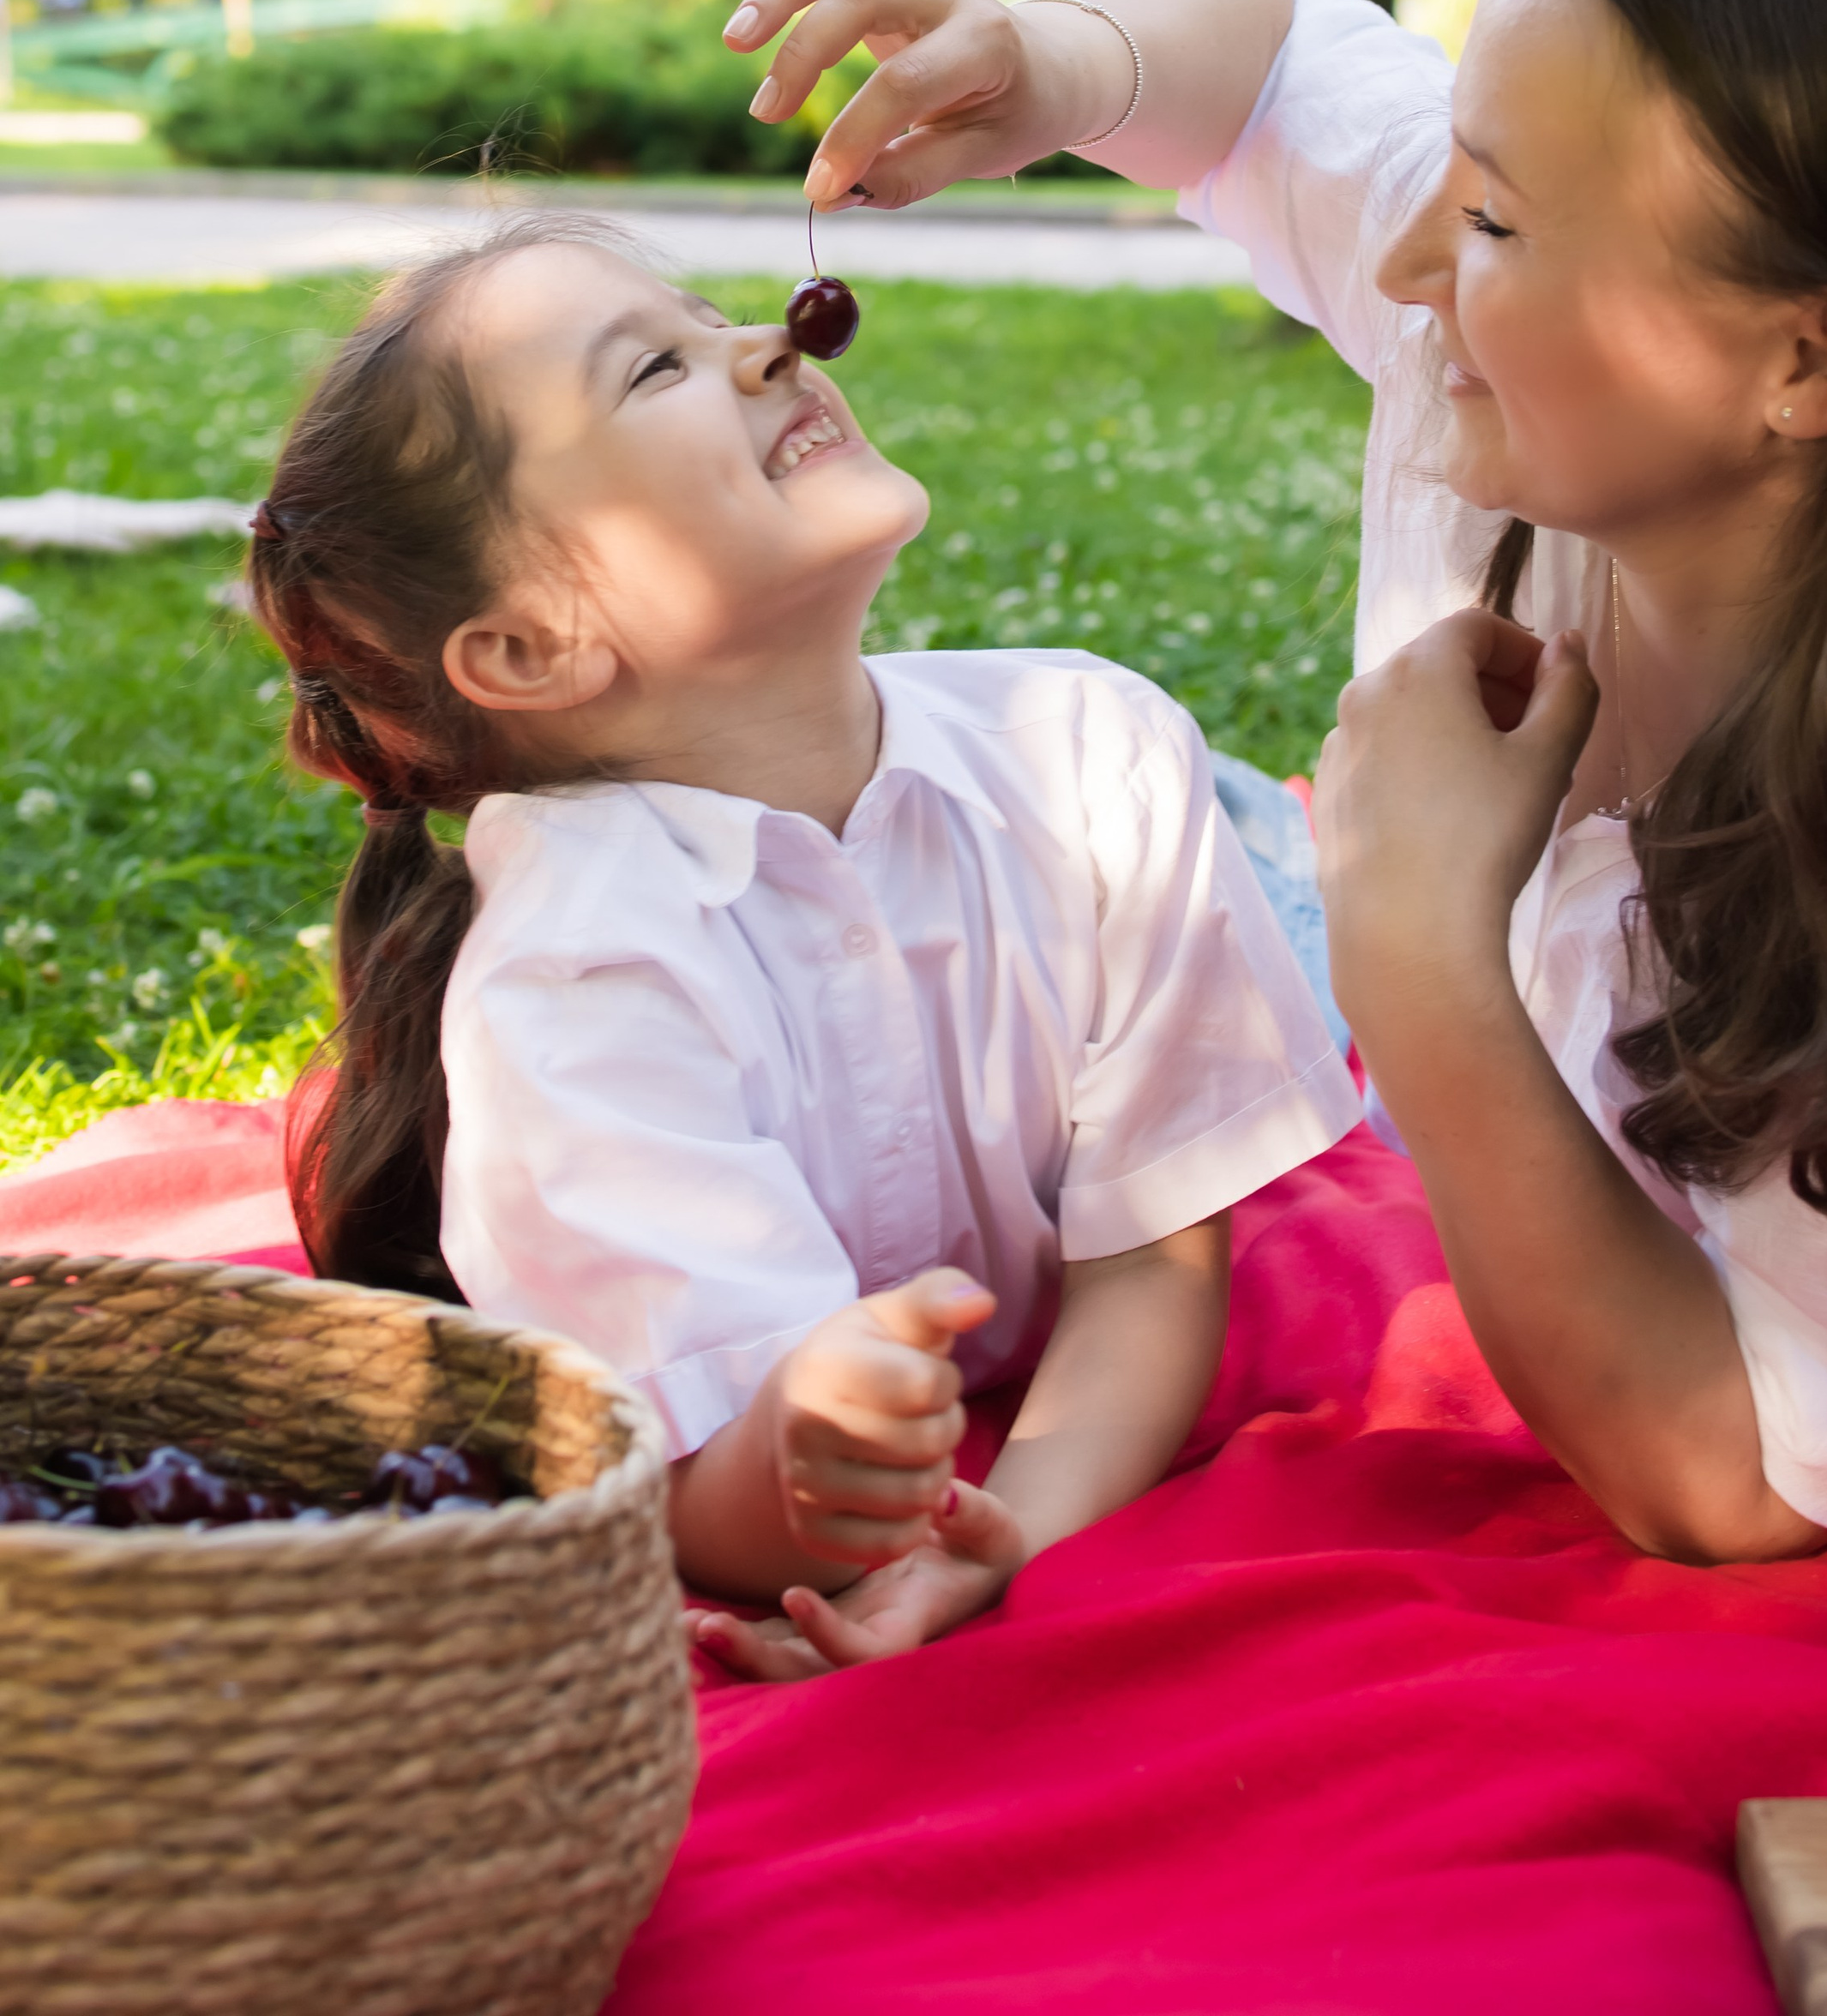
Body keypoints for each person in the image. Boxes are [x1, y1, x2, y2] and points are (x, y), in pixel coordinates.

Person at [716, 0, 1827, 1562]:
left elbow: (1738, 1465)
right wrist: (1052, 61)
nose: (1410, 271)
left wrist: (1415, 952)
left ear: (1806, 355)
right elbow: (1272, 55)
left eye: (1487, 217)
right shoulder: (1512, 360)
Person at [247, 219, 1358, 1672]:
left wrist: (1018, 1525)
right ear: (533, 647)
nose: (768, 340)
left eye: (710, 312)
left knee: (1323, 906)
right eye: (655, 367)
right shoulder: (578, 980)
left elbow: (1154, 1261)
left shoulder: (1097, 747)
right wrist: (801, 1452)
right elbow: (704, 1493)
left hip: (1215, 844)